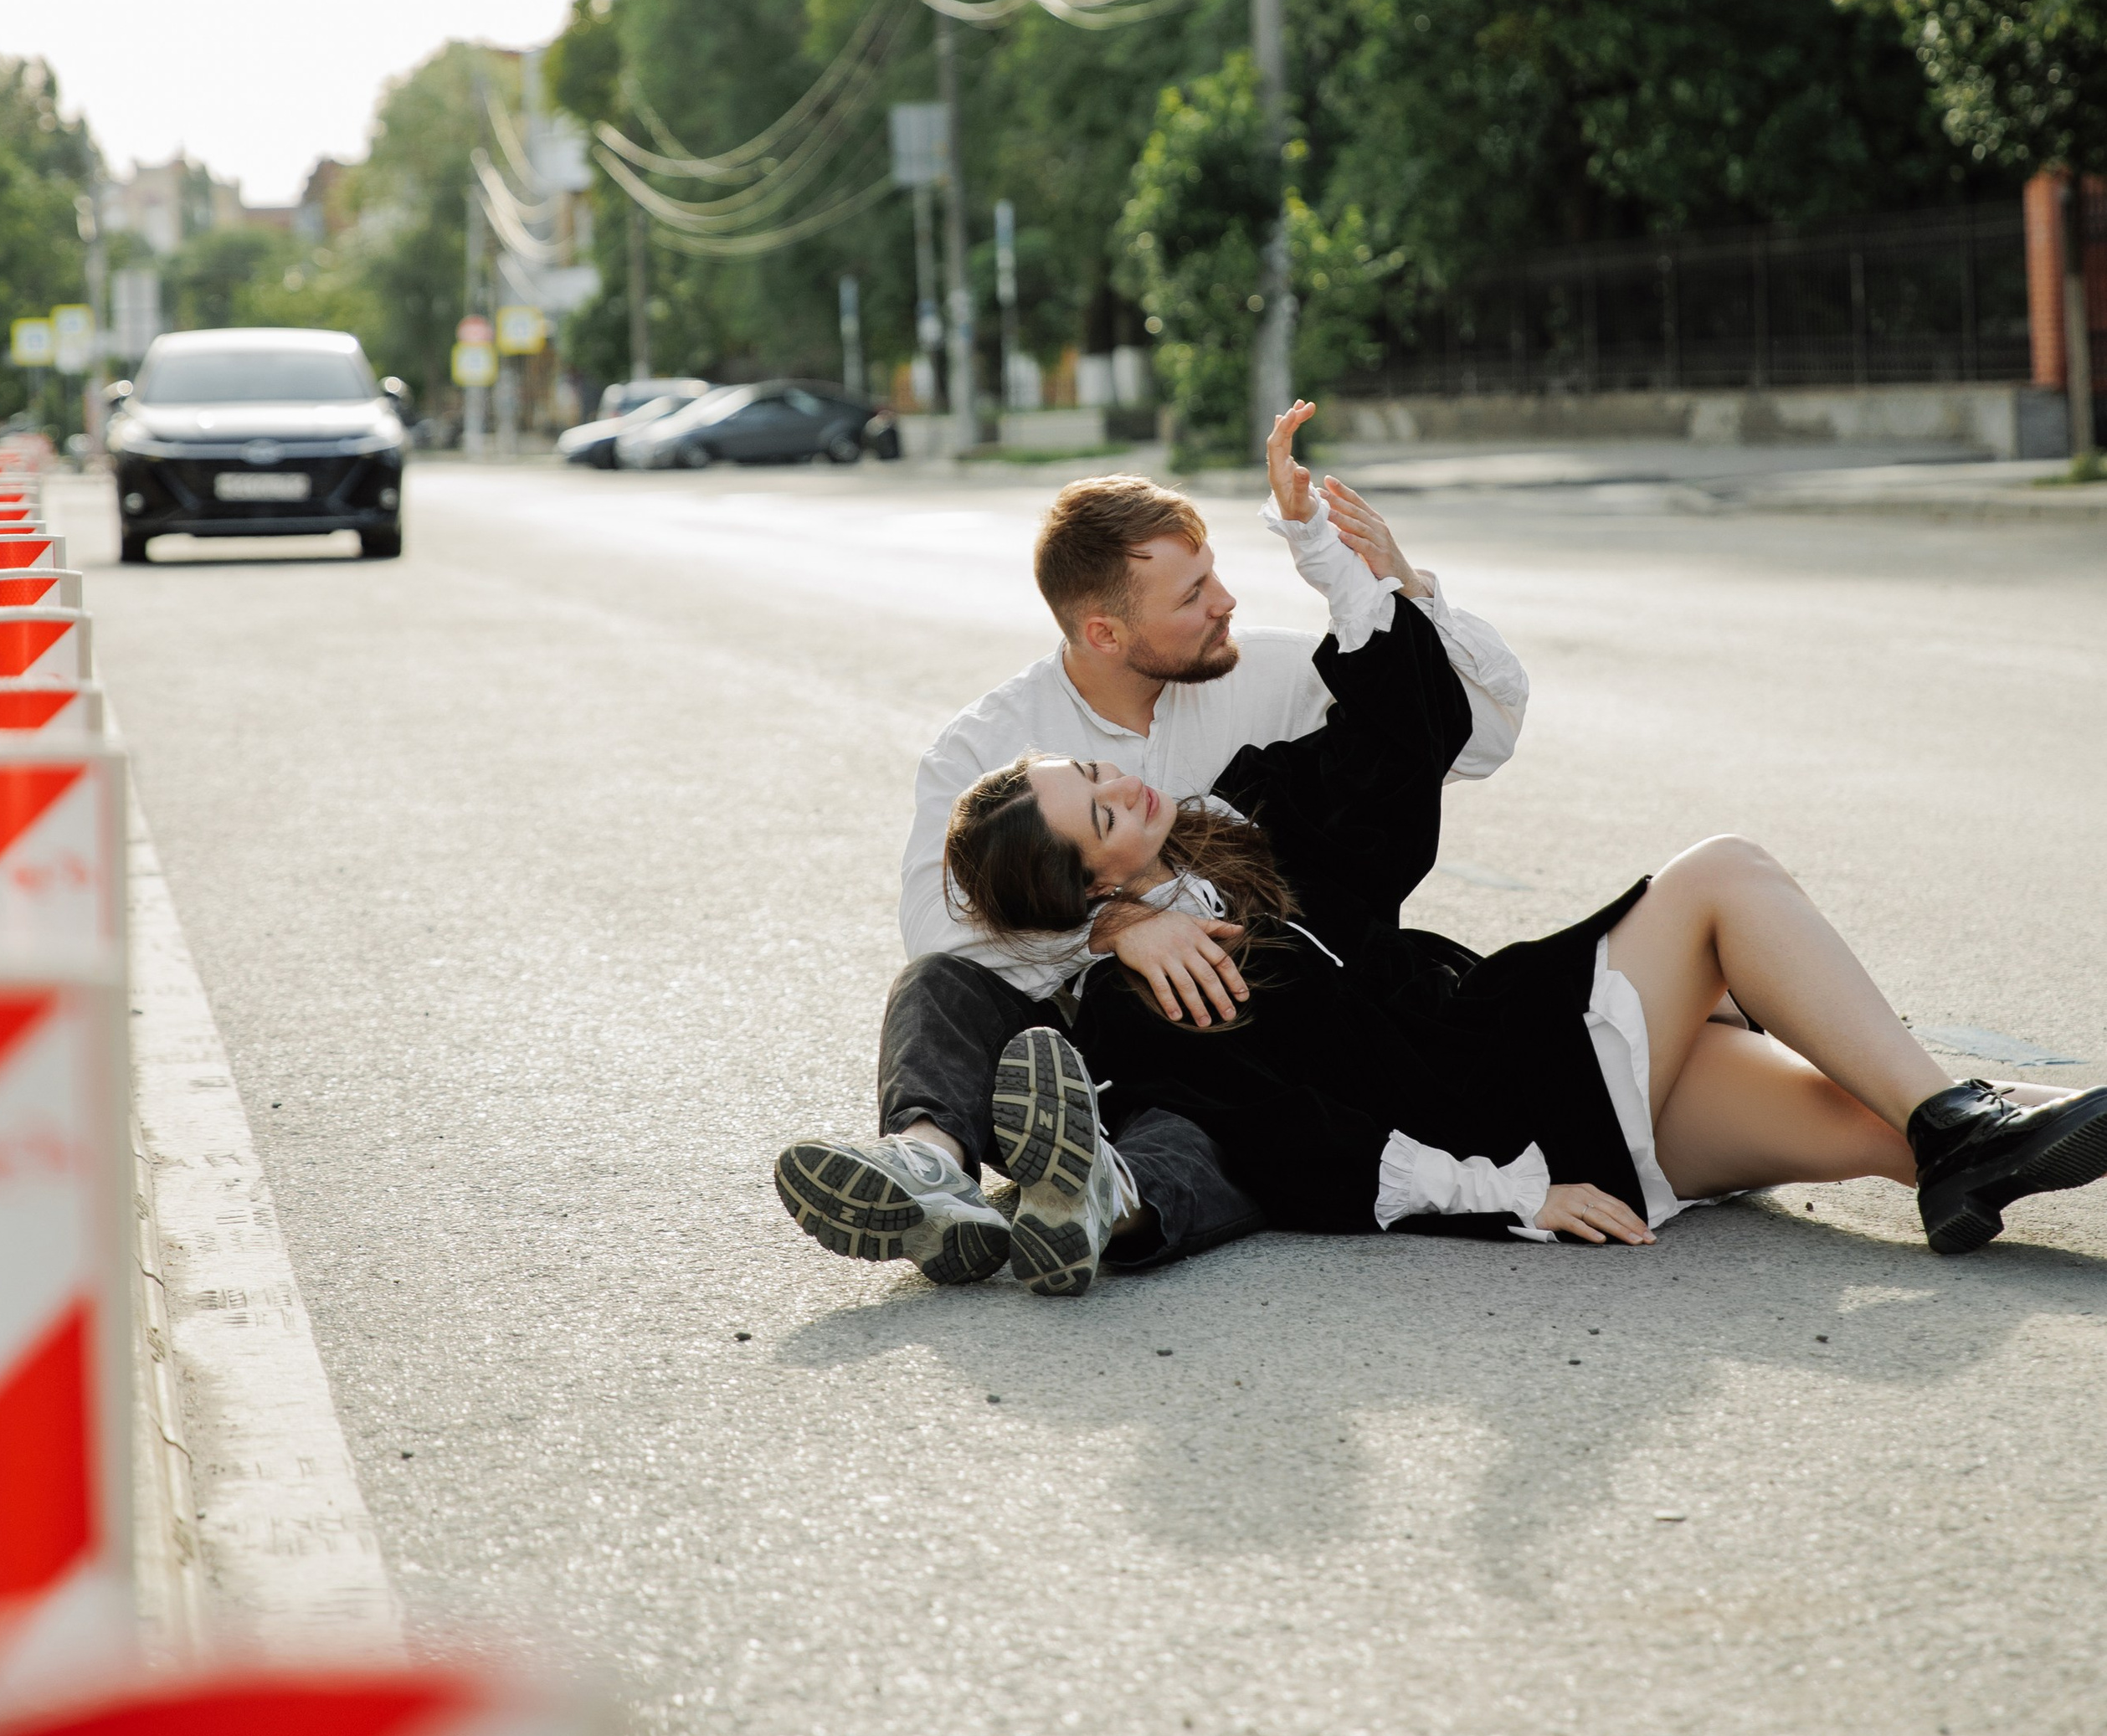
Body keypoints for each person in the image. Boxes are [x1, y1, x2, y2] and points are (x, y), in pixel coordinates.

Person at [942, 434, 2107, 1277]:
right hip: (1500, 1093)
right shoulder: (1143, 999)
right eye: (1101, 811)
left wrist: (1337, 562)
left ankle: (1968, 1133)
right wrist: (1509, 1197)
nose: (1124, 780)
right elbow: (1295, 1142)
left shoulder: (1247, 821)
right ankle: (1962, 1122)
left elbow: (1415, 735)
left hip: (1534, 1085)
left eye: (1094, 770)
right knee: (1723, 875)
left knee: (1885, 1125)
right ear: (1092, 887)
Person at [773, 419, 1531, 1290]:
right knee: (935, 985)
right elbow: (937, 931)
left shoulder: (1265, 672)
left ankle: (1101, 1199)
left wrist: (1403, 584)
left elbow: (1474, 738)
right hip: (1062, 1047)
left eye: (1210, 575)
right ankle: (930, 1170)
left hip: (1256, 1030)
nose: (1227, 604)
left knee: (1226, 1118)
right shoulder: (988, 745)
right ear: (1103, 632)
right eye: (1192, 596)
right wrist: (1117, 928)